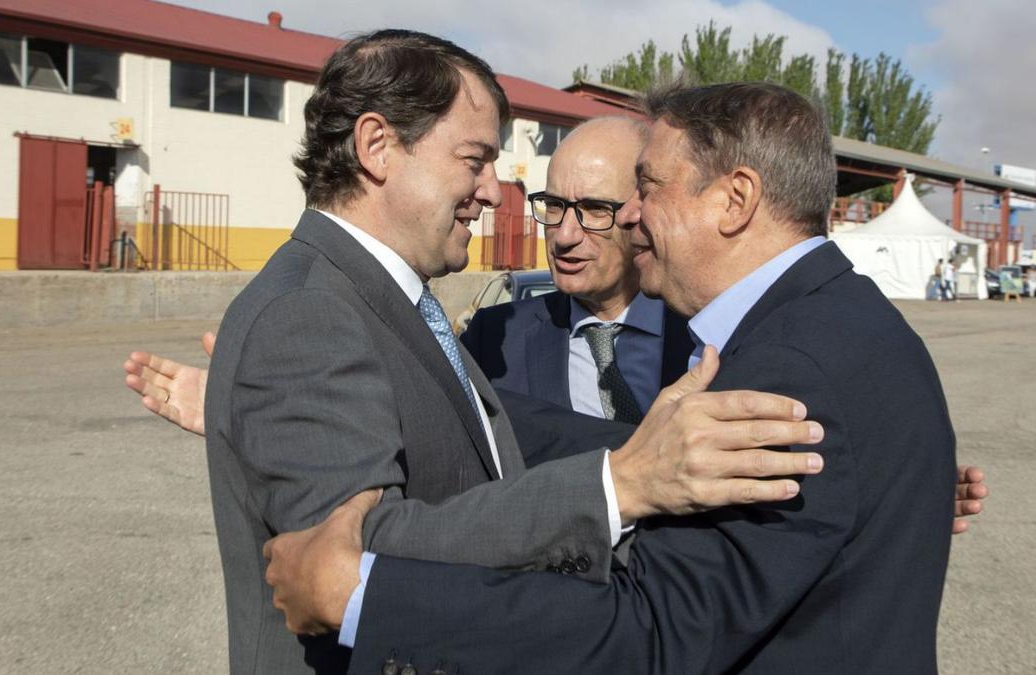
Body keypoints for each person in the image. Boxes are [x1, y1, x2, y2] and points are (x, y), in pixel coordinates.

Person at [177, 30, 825, 675]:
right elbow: (351, 566)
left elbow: (498, 448)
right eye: (473, 159)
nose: (494, 189)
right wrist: (621, 482)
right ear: (377, 146)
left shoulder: (386, 304)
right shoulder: (309, 314)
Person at [263, 82, 963, 674]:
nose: (629, 215)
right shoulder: (845, 319)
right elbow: (623, 445)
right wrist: (383, 402)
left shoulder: (790, 369)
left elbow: (652, 630)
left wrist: (360, 594)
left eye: (648, 188)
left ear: (734, 199)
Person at [460, 117, 694, 425]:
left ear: (640, 213)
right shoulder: (494, 339)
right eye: (554, 205)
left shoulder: (705, 333)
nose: (565, 235)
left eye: (595, 209)